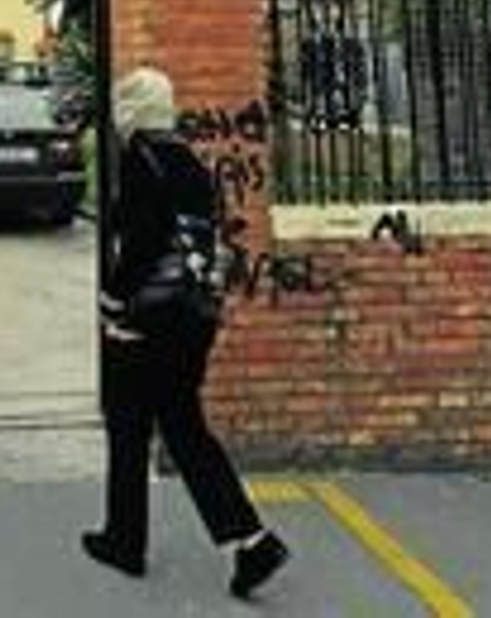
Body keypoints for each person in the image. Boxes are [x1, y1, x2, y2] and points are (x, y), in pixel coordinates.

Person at [81, 66, 290, 599]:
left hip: (152, 316)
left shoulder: (141, 158)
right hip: (196, 315)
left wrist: (114, 301)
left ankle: (125, 541)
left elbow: (143, 243)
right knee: (183, 425)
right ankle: (251, 540)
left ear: (129, 109)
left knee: (128, 421)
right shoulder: (190, 160)